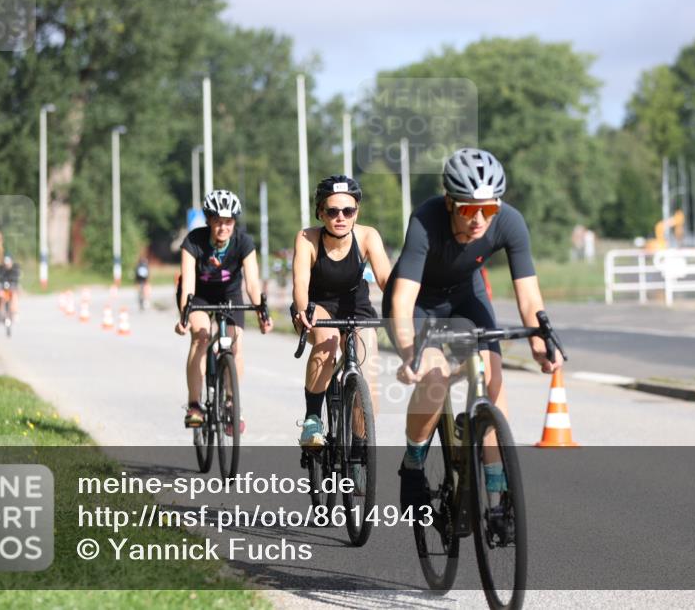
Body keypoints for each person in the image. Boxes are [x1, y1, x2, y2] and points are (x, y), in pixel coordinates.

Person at [383, 148, 563, 509]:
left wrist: (541, 342)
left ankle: (496, 489)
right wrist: (409, 352)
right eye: (468, 209)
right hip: (420, 303)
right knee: (433, 376)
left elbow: (528, 296)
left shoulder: (510, 221)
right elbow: (402, 301)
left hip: (466, 296)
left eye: (489, 208)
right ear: (449, 202)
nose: (480, 219)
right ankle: (414, 462)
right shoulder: (426, 220)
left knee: (492, 376)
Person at [291, 175, 391, 449]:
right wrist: (303, 310)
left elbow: (386, 279)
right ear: (320, 212)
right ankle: (313, 418)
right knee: (329, 338)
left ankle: (360, 444)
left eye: (348, 210)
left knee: (367, 377)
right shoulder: (307, 238)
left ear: (356, 211)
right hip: (316, 306)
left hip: (357, 308)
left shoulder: (368, 236)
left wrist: (402, 309)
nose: (341, 217)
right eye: (332, 211)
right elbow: (300, 283)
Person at [174, 189, 272, 428]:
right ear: (208, 220)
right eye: (217, 221)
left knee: (235, 341)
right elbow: (187, 281)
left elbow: (252, 282)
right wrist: (185, 315)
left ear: (234, 222)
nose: (223, 227)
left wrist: (262, 312)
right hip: (199, 295)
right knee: (201, 336)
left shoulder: (244, 242)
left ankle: (230, 402)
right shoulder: (193, 241)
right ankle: (195, 405)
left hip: (230, 295)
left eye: (228, 222)